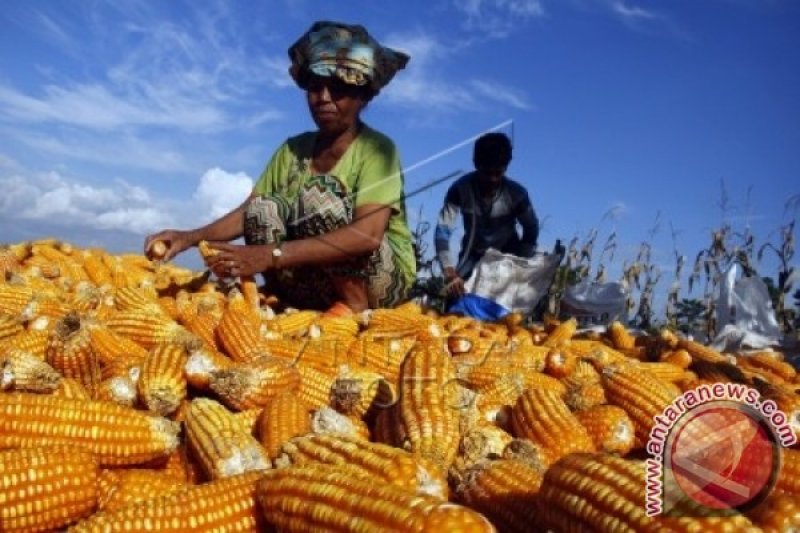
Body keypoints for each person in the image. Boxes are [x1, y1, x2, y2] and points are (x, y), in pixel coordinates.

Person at [145, 20, 415, 314]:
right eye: (315, 87)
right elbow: (245, 214)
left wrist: (269, 256)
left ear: (363, 96)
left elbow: (367, 235)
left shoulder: (378, 150)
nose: (323, 98)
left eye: (338, 88)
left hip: (379, 282)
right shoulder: (291, 150)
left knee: (318, 197)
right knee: (263, 209)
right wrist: (189, 237)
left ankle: (353, 306)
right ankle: (286, 301)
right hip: (313, 277)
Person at [434, 132, 539, 297]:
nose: (493, 179)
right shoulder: (460, 189)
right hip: (472, 258)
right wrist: (449, 271)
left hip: (508, 260)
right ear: (476, 164)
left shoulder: (517, 194)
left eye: (498, 173)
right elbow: (442, 232)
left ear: (506, 167)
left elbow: (531, 228)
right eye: (487, 173)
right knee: (457, 302)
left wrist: (522, 264)